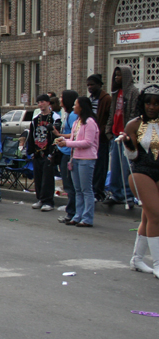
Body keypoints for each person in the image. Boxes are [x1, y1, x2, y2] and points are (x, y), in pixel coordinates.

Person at [119, 85, 159, 277]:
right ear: (142, 104)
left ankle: (137, 259)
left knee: (148, 216)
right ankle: (158, 264)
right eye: (148, 103)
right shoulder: (133, 125)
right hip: (141, 172)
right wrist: (127, 144)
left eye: (156, 103)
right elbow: (132, 156)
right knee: (157, 216)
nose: (152, 107)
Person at [56, 96, 98, 227]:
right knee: (77, 189)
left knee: (86, 190)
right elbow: (74, 137)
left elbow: (88, 142)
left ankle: (87, 217)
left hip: (87, 159)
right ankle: (78, 215)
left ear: (82, 107)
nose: (74, 107)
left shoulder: (90, 122)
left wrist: (67, 143)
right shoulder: (77, 122)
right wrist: (62, 139)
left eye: (76, 104)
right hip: (75, 158)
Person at [105, 65, 140, 205]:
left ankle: (129, 195)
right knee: (115, 167)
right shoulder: (115, 92)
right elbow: (112, 113)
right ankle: (116, 194)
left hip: (126, 136)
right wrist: (109, 130)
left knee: (127, 167)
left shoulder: (133, 92)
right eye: (115, 75)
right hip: (115, 134)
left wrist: (129, 133)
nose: (116, 78)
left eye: (119, 75)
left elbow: (134, 114)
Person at [26, 94, 61, 211]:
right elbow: (31, 135)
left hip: (48, 153)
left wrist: (53, 153)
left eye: (43, 102)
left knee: (47, 178)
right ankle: (40, 198)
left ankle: (48, 201)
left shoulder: (54, 117)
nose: (41, 104)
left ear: (48, 103)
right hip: (37, 152)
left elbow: (56, 133)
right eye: (39, 102)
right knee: (39, 177)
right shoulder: (36, 119)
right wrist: (30, 151)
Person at [55, 91, 79, 224]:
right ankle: (71, 209)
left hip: (69, 152)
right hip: (63, 151)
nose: (60, 99)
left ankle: (72, 212)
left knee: (69, 184)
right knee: (67, 183)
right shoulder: (68, 114)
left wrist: (61, 136)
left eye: (62, 97)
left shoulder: (73, 116)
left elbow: (74, 134)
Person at [87, 74, 111, 201]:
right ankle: (91, 190)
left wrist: (103, 131)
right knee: (92, 165)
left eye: (92, 84)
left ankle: (98, 191)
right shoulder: (90, 99)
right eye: (88, 85)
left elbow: (109, 117)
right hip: (90, 137)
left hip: (101, 137)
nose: (90, 87)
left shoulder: (106, 99)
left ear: (100, 85)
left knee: (100, 165)